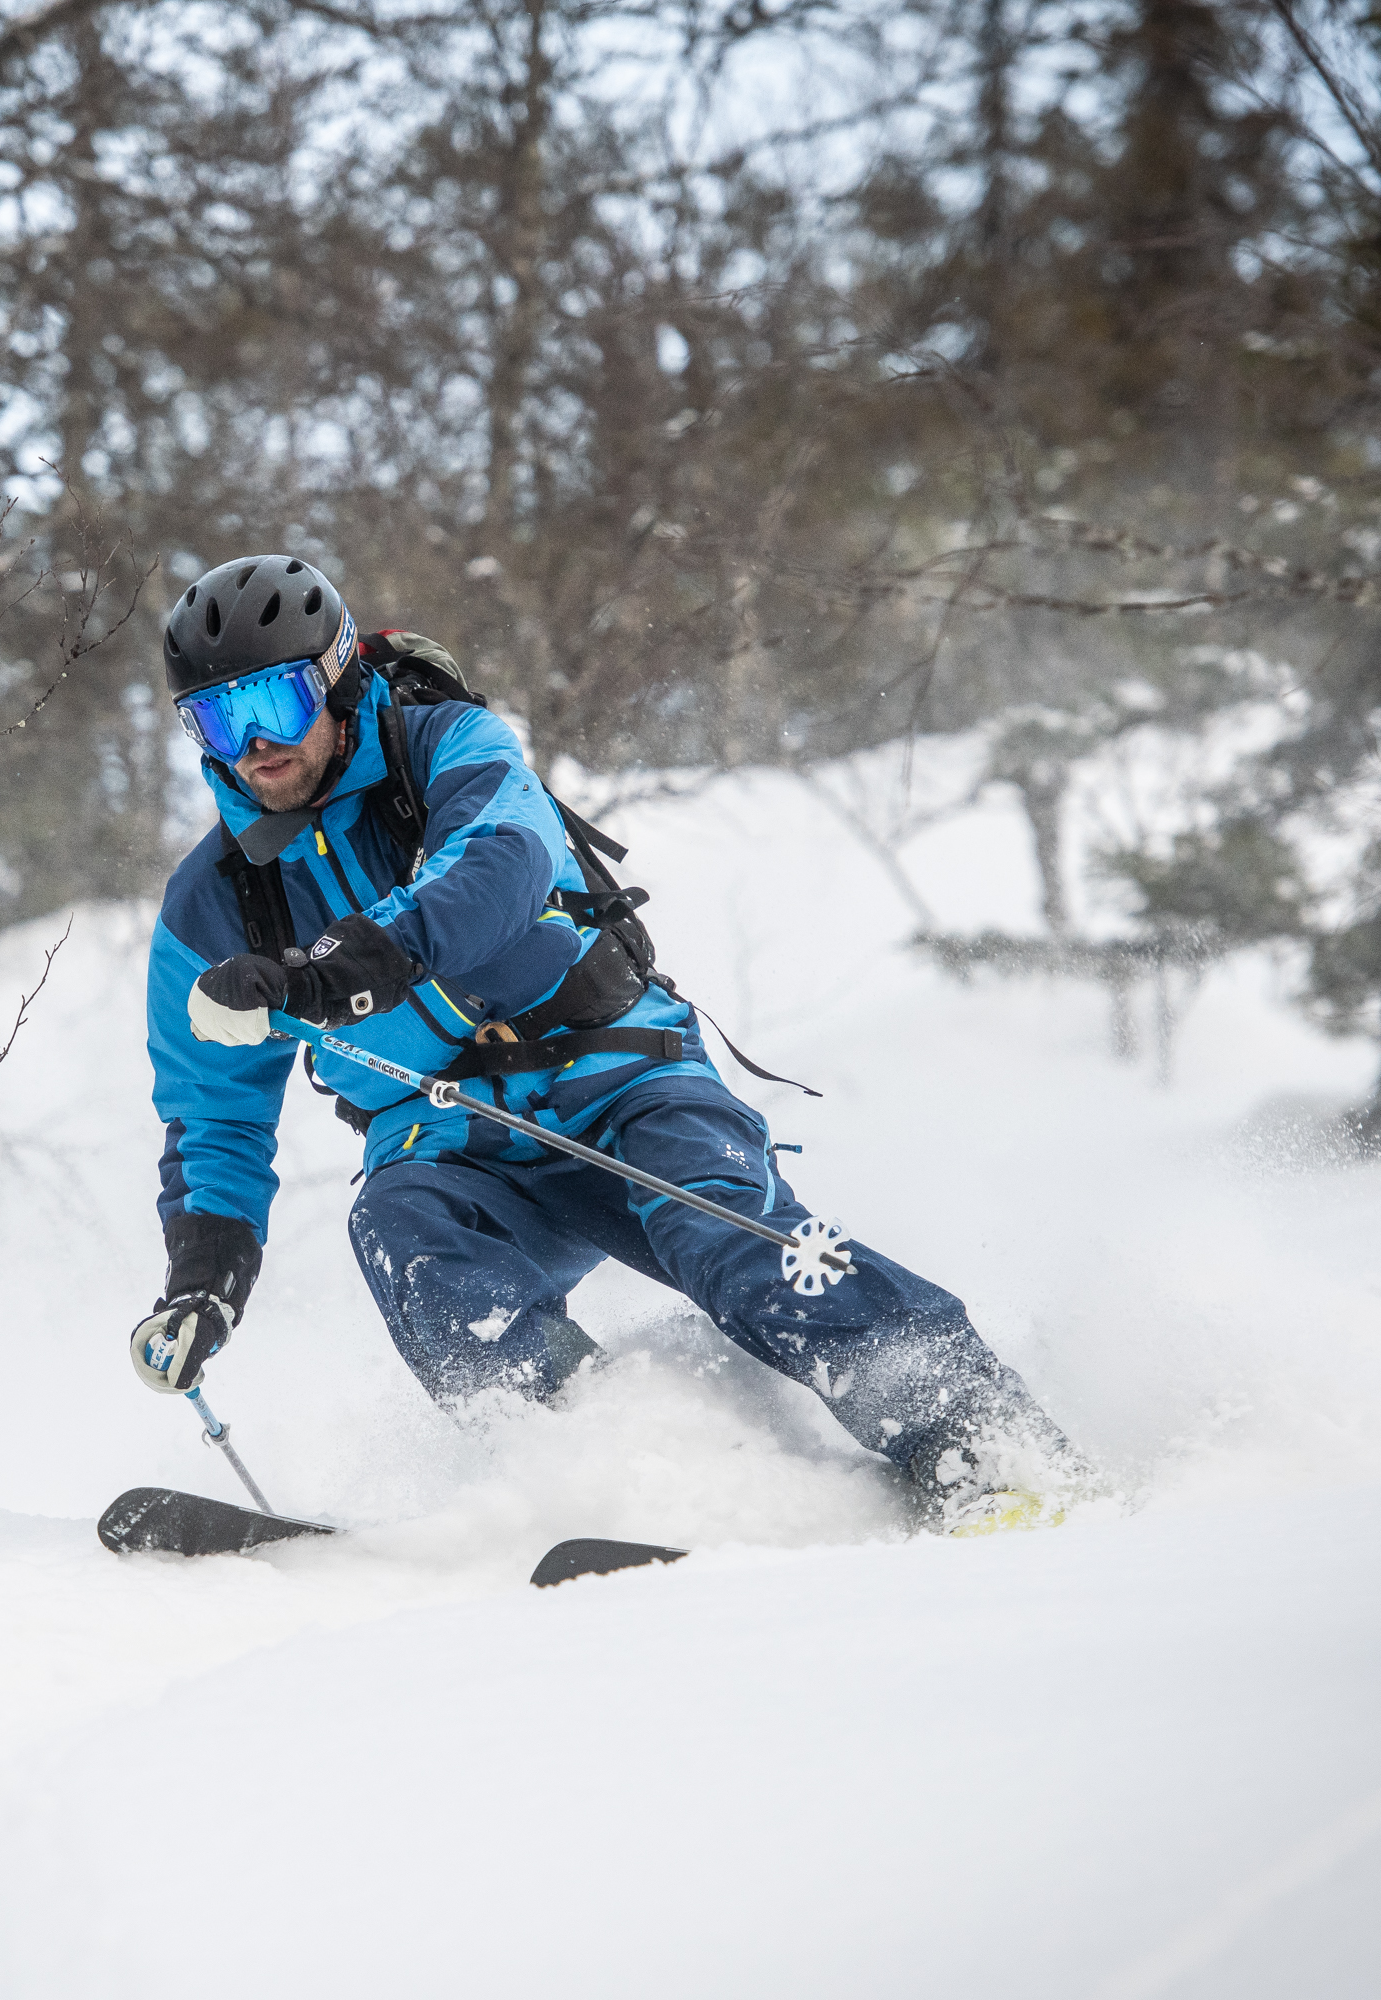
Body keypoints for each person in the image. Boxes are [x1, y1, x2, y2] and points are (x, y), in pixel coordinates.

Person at [130, 553, 1085, 1533]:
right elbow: (213, 1114)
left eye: (275, 704)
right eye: (217, 720)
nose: (254, 744)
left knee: (728, 1238)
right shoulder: (212, 903)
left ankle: (981, 1436)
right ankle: (619, 1468)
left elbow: (497, 869)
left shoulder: (448, 746)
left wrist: (332, 969)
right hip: (445, 1137)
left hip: (617, 1071)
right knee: (405, 1231)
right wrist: (205, 1280)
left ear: (335, 680)